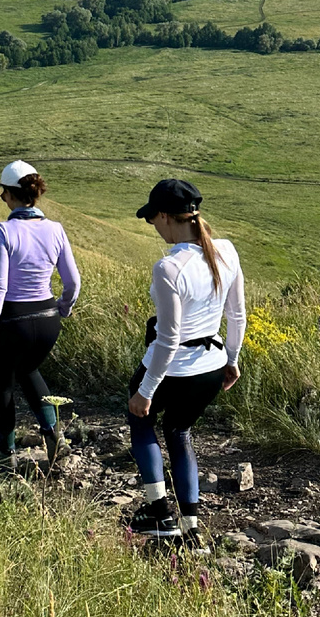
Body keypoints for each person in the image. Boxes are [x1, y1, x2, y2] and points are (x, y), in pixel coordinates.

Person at [127, 178, 246, 548]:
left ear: (165, 216)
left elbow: (168, 338)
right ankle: (191, 526)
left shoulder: (169, 268)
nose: (153, 227)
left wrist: (146, 390)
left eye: (153, 219)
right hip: (210, 368)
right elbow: (238, 315)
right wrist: (232, 359)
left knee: (140, 419)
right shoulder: (226, 250)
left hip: (173, 370)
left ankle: (159, 512)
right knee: (179, 432)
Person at [0, 160, 81, 472]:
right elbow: (73, 282)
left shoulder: (4, 230)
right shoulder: (55, 229)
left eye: (3, 194)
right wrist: (63, 307)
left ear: (10, 195)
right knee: (29, 368)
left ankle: (4, 454)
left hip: (14, 319)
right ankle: (54, 436)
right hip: (48, 318)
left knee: (3, 383)